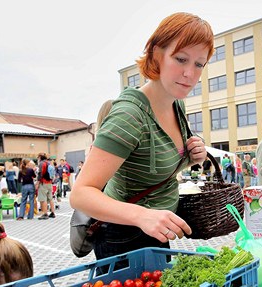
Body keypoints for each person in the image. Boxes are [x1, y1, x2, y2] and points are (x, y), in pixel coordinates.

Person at [70, 12, 211, 261]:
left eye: (199, 64)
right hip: (123, 238)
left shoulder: (176, 104)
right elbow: (80, 194)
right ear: (157, 54)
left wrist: (190, 157)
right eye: (181, 59)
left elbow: (150, 166)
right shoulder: (129, 115)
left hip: (157, 230)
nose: (190, 73)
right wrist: (142, 215)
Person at [36, 153, 56, 220]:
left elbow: (40, 174)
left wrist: (37, 183)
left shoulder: (42, 163)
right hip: (50, 182)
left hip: (43, 183)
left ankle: (45, 213)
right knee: (50, 198)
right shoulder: (49, 163)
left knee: (43, 198)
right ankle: (53, 212)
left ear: (40, 157)